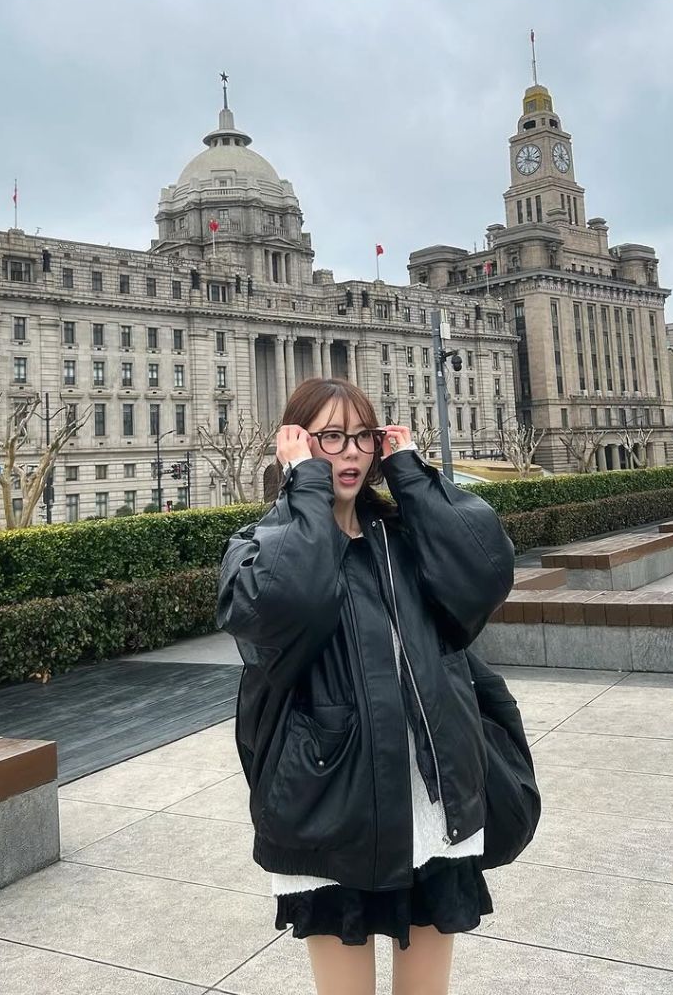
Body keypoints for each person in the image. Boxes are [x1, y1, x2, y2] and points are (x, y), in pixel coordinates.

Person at [217, 377, 515, 995]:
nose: (350, 452)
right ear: (296, 443)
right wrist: (305, 488)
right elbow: (286, 601)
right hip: (332, 802)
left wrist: (412, 475)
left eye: (362, 437)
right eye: (330, 437)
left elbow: (484, 573)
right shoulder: (260, 546)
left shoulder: (403, 536)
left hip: (432, 797)